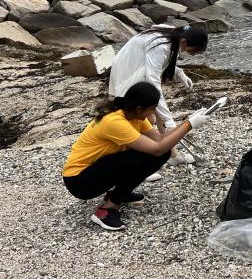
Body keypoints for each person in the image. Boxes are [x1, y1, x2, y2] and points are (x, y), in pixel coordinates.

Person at [62, 82, 211, 231]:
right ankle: (107, 209)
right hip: (79, 181)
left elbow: (159, 139)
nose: (152, 114)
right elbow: (158, 149)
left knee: (156, 153)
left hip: (95, 170)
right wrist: (188, 126)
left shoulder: (134, 115)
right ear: (139, 108)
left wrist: (187, 121)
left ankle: (118, 194)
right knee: (151, 156)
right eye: (151, 109)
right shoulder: (114, 121)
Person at [109, 25, 208, 170]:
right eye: (192, 52)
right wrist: (170, 121)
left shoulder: (174, 37)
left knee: (156, 112)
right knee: (145, 117)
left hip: (139, 70)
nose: (191, 55)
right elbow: (153, 79)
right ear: (185, 42)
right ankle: (137, 166)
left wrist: (180, 74)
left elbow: (165, 62)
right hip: (128, 72)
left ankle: (173, 155)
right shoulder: (160, 45)